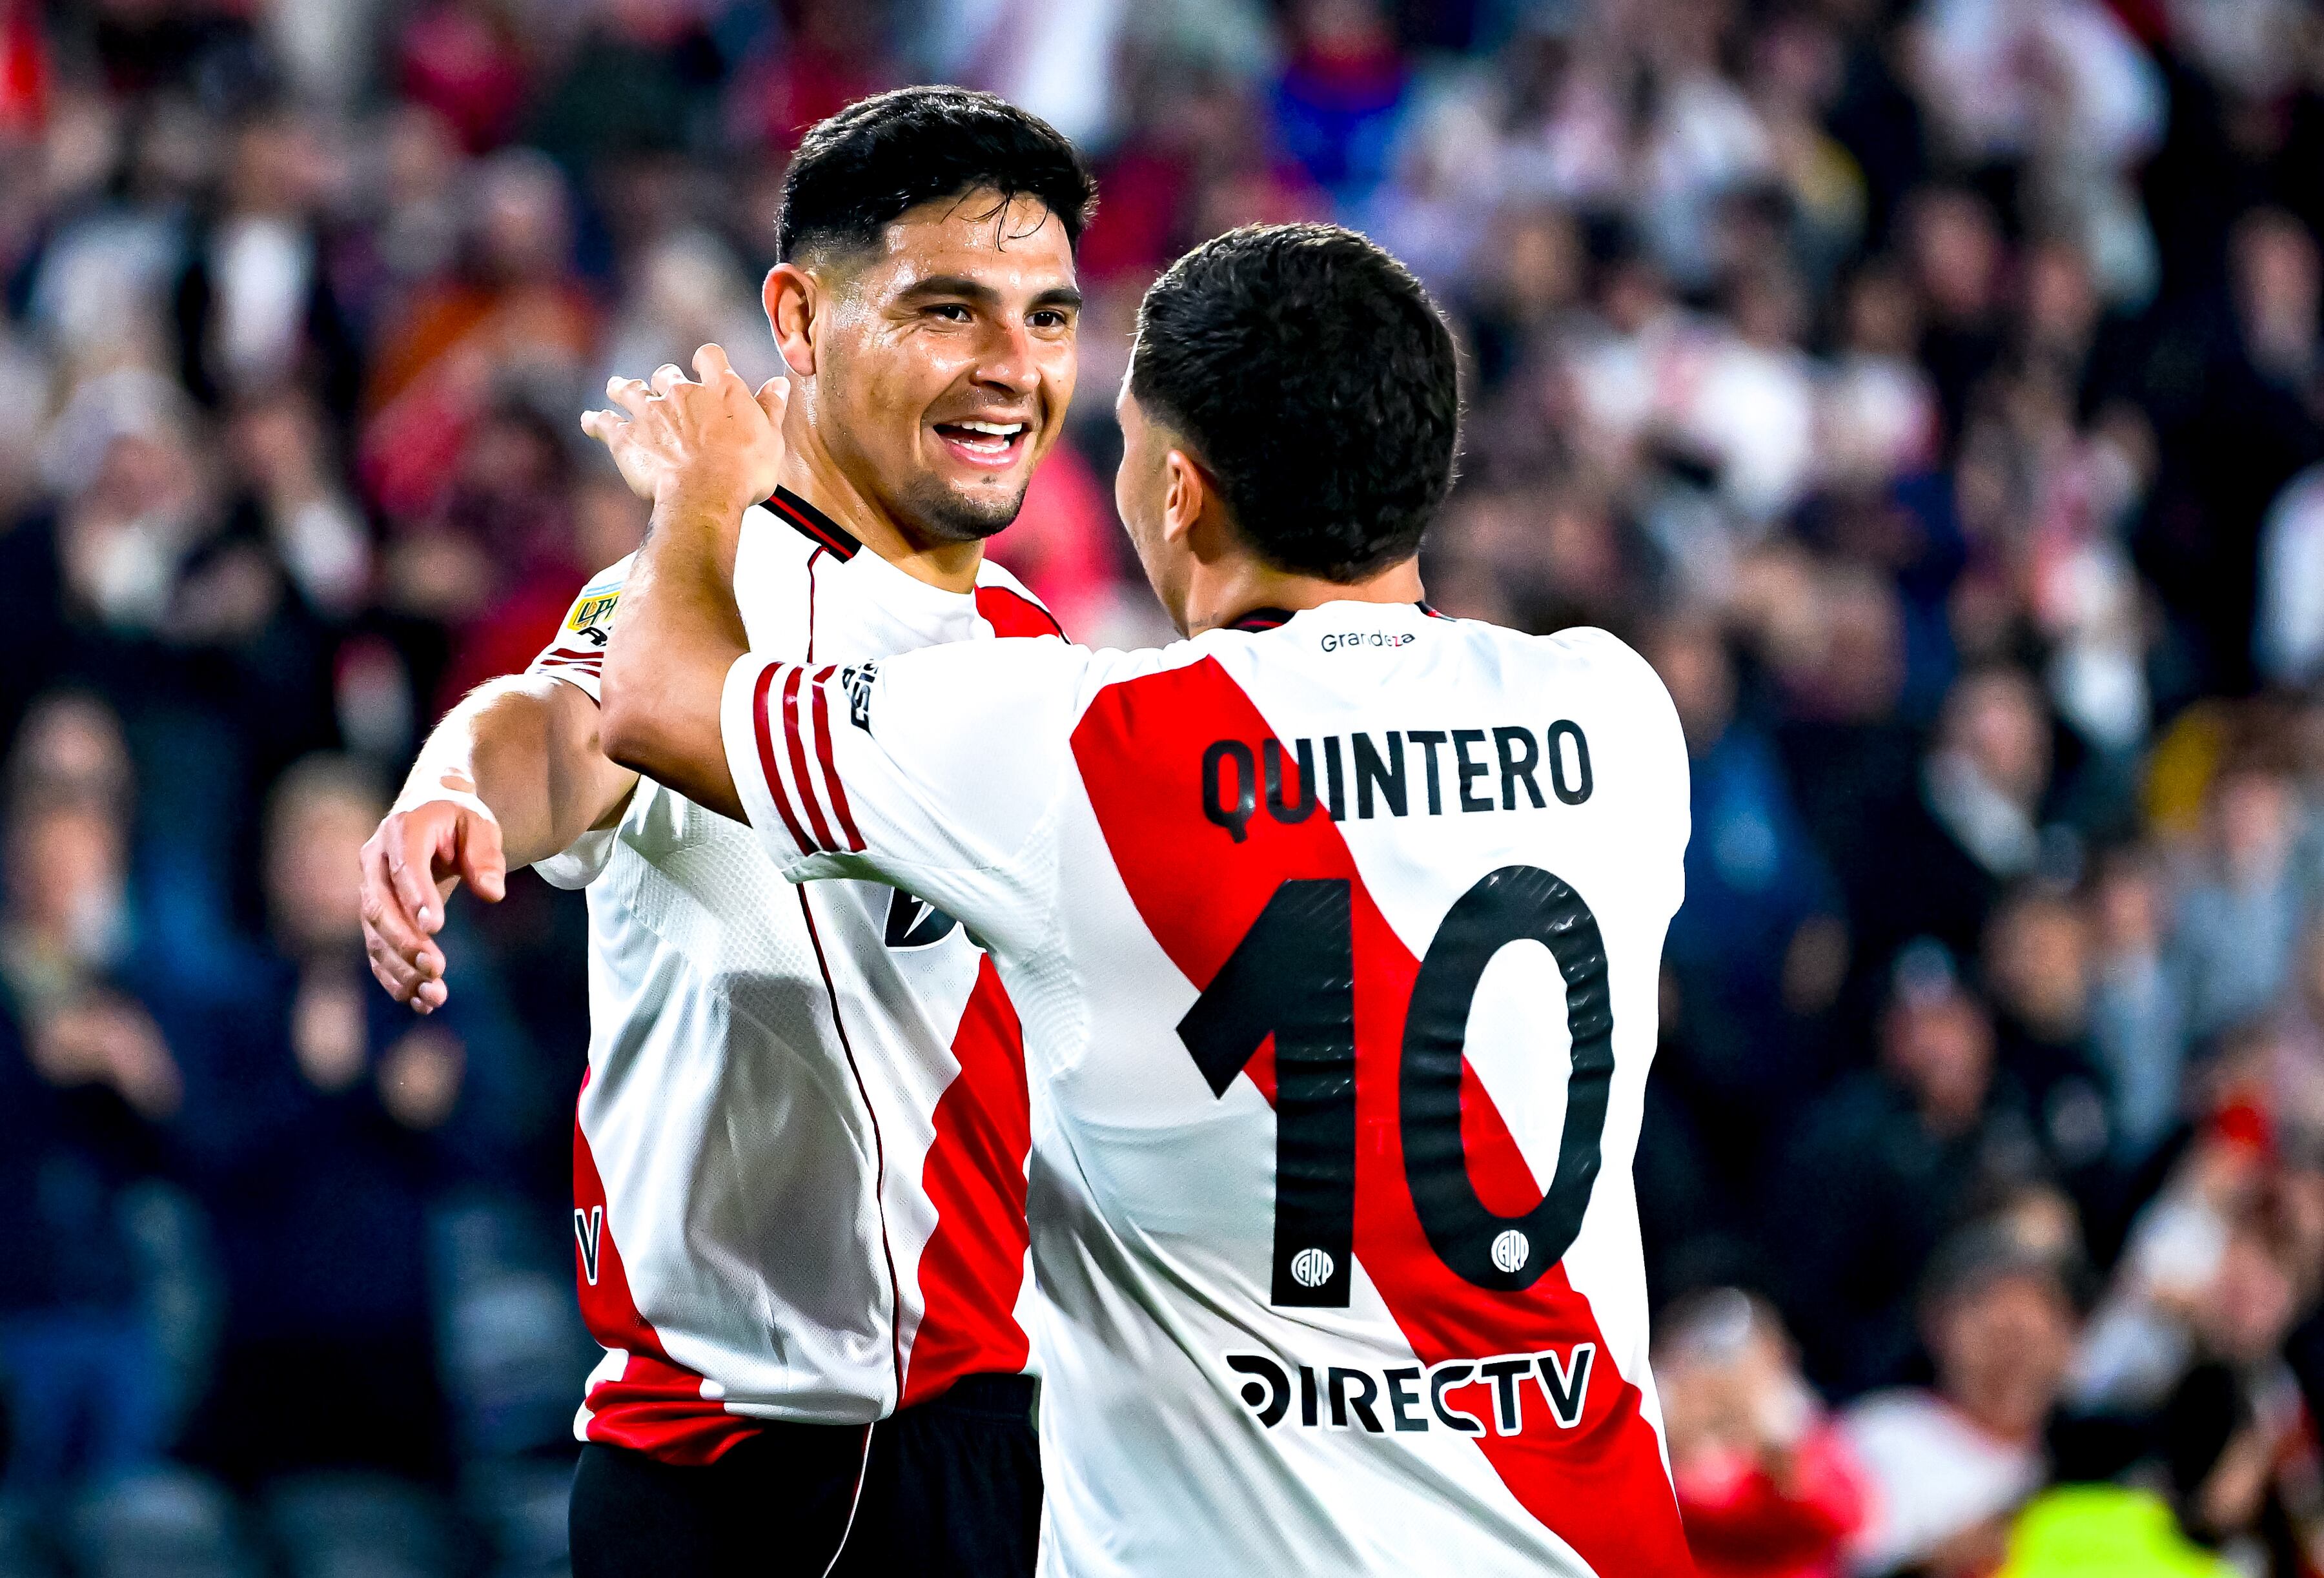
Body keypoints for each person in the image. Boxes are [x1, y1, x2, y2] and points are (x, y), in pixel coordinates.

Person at [587, 222, 1695, 1573]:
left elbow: (653, 702)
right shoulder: (1615, 712)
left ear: (1178, 490)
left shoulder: (1077, 749)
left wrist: (703, 496)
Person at [357, 87, 1091, 1577]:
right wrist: (450, 786)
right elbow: (559, 724)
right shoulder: (705, 600)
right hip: (745, 1467)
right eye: (948, 309)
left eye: (1049, 317)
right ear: (800, 320)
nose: (1014, 368)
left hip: (990, 1432)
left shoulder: (1028, 637)